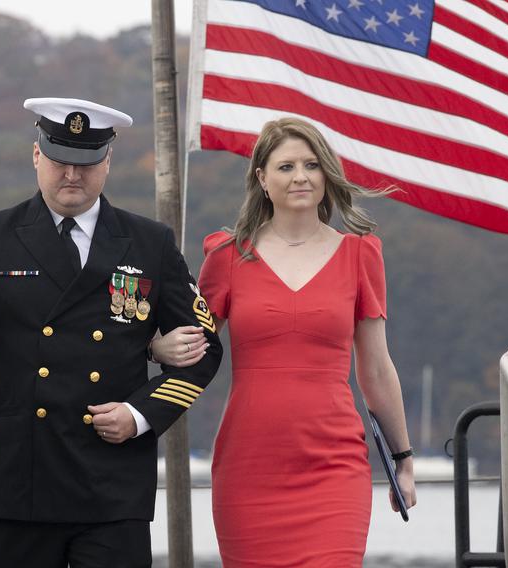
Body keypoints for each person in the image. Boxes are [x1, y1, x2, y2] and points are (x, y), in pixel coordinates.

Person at [0, 97, 223, 568]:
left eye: (85, 163)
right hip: (19, 472)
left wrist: (141, 412)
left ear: (107, 161)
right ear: (36, 156)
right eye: (60, 161)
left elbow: (204, 351)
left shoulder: (150, 242)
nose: (71, 175)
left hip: (110, 476)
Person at [152, 117, 416, 566]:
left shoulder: (361, 255)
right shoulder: (227, 256)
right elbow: (194, 348)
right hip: (249, 465)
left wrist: (403, 458)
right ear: (262, 178)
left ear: (326, 174)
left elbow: (375, 368)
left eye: (312, 165)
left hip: (334, 465)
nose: (300, 177)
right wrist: (155, 348)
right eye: (286, 166)